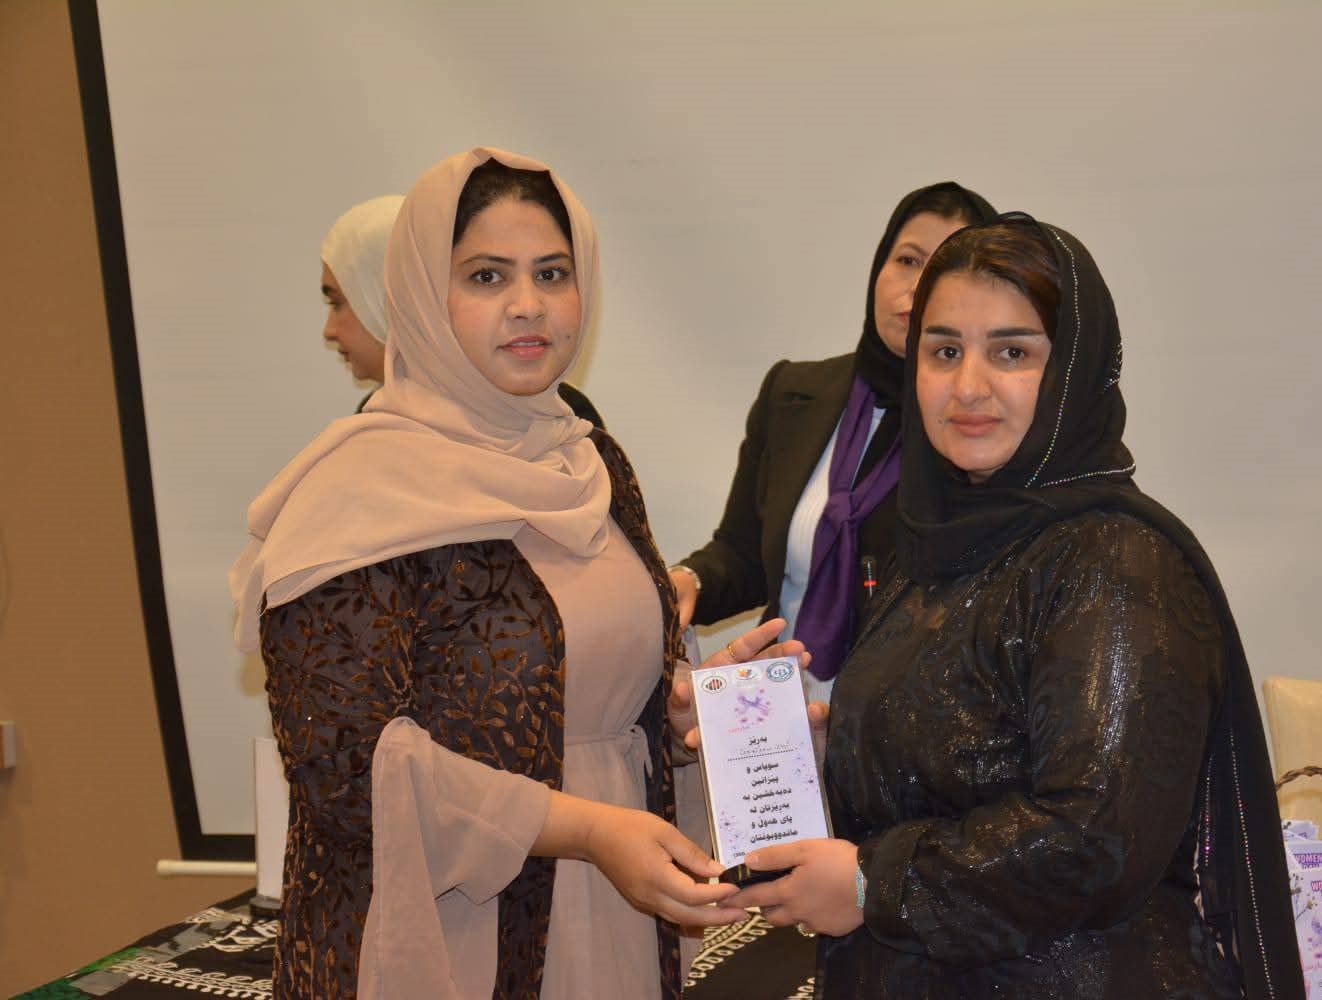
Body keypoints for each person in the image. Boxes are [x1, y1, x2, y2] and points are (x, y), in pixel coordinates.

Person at [231, 147, 798, 999]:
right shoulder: (354, 492)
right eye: (487, 276)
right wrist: (586, 829)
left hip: (610, 911)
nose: (528, 304)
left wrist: (685, 711)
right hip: (442, 936)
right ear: (420, 296)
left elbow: (591, 695)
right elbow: (346, 770)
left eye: (552, 273)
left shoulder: (591, 462)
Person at [724, 218, 1302, 997]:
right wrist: (790, 748)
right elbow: (952, 762)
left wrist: (872, 885)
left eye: (1012, 353)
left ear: (1074, 371)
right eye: (943, 351)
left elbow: (1094, 838)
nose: (968, 387)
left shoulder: (1118, 561)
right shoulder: (933, 549)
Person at [669, 183, 997, 702]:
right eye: (907, 260)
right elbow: (745, 554)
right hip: (774, 718)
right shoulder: (794, 393)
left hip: (901, 728)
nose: (917, 285)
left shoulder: (981, 426)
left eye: (945, 267)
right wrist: (690, 580)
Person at [319, 193, 604, 423]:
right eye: (487, 277)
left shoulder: (563, 422)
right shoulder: (373, 427)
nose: (329, 331)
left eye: (338, 303)